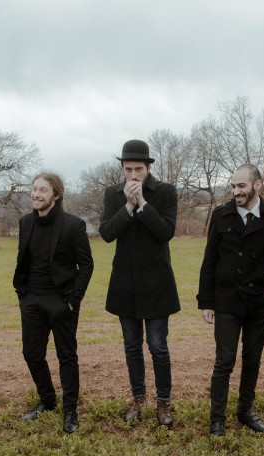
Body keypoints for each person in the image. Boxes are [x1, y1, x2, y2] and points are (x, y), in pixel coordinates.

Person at [197, 164, 264, 436]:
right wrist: (206, 301)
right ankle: (217, 419)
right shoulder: (221, 215)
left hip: (259, 300)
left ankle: (245, 411)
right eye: (233, 186)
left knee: (252, 359)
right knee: (224, 361)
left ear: (257, 185)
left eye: (241, 186)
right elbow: (209, 260)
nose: (236, 191)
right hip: (227, 299)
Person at [99, 139, 180, 426]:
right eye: (128, 169)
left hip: (157, 282)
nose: (133, 175)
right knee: (131, 346)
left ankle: (164, 403)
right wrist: (128, 206)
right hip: (125, 282)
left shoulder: (166, 192)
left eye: (138, 169)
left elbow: (165, 232)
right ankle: (138, 399)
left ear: (148, 168)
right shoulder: (112, 194)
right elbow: (107, 233)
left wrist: (143, 203)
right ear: (122, 168)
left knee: (158, 346)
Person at [13, 173, 94, 434]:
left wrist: (73, 301)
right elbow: (23, 261)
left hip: (62, 301)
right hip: (32, 300)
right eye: (34, 189)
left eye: (42, 190)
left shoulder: (73, 225)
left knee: (66, 356)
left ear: (56, 195)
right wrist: (23, 295)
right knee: (31, 353)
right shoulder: (26, 222)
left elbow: (86, 265)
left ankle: (70, 410)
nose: (35, 194)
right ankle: (47, 400)